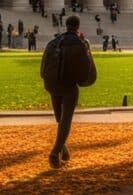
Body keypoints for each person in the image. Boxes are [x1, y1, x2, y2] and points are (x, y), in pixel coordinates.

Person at [40, 15, 96, 169]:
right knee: (66, 118)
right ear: (77, 27)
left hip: (51, 83)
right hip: (67, 86)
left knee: (60, 117)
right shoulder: (80, 44)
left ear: (66, 25)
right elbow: (87, 72)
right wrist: (88, 49)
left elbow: (43, 66)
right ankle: (55, 151)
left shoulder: (54, 42)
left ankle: (63, 150)